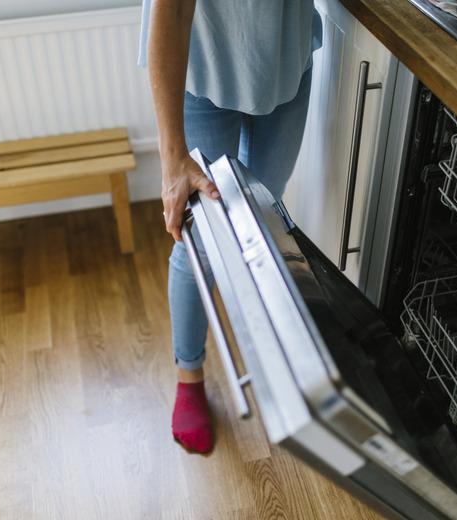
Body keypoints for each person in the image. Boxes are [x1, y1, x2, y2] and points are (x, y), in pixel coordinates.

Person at [140, 0, 321, 454]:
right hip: (203, 70)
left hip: (286, 65)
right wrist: (172, 156)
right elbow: (174, 9)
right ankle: (189, 374)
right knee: (197, 242)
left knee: (262, 224)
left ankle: (270, 361)